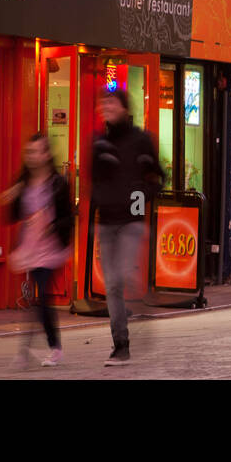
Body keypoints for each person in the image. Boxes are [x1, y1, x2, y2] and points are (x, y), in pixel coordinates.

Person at [91, 89, 164, 366]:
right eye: (103, 104)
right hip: (107, 222)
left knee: (120, 275)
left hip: (132, 219)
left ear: (123, 107)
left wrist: (143, 194)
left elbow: (159, 175)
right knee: (111, 286)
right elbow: (93, 182)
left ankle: (139, 295)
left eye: (110, 102)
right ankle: (121, 345)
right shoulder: (99, 144)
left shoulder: (141, 139)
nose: (105, 107)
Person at [0, 134, 72, 367]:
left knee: (41, 298)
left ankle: (47, 349)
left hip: (50, 247)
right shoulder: (24, 182)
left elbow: (68, 218)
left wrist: (50, 226)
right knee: (34, 300)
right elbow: (13, 216)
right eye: (29, 152)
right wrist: (10, 199)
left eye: (37, 152)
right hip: (30, 246)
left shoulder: (58, 183)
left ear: (47, 154)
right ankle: (33, 350)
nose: (32, 157)